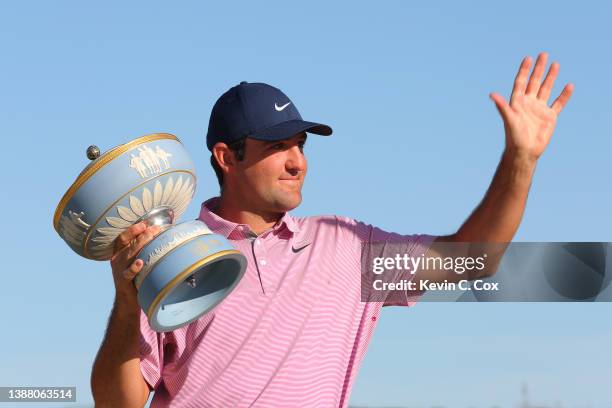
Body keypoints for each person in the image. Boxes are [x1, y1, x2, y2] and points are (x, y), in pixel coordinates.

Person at [91, 52, 573, 407]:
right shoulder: (173, 257)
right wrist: (128, 299)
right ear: (226, 157)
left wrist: (521, 160)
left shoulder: (346, 247)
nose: (297, 161)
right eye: (278, 146)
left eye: (301, 145)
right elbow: (118, 405)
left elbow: (474, 260)